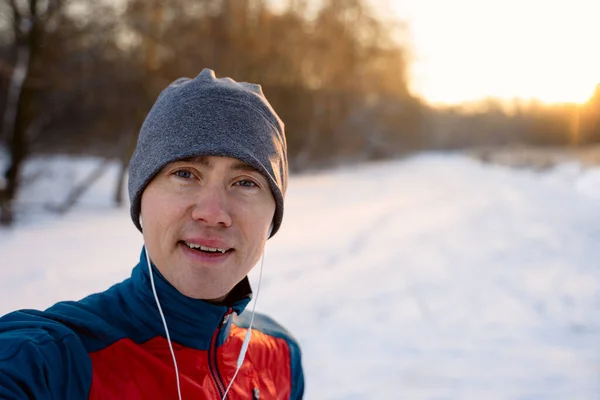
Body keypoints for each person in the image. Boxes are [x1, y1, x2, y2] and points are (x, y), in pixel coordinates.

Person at [0, 69, 304, 399]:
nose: (213, 213)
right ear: (141, 198)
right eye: (185, 174)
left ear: (273, 215)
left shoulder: (280, 357)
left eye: (246, 182)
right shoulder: (50, 361)